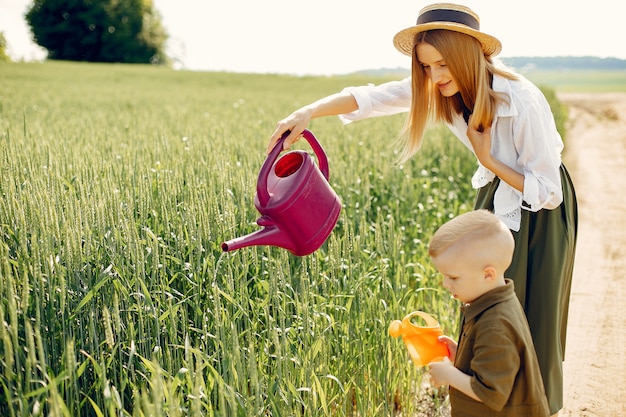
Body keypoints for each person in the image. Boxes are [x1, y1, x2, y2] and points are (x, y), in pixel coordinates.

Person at [267, 3, 577, 415]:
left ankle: (536, 406)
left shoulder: (520, 98)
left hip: (541, 212)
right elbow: (372, 97)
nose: (436, 76)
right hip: (497, 198)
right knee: (483, 304)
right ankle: (482, 398)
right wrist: (307, 113)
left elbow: (548, 190)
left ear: (469, 56)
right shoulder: (440, 89)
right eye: (427, 67)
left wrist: (489, 162)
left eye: (444, 64)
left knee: (530, 314)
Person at [427, 209, 549, 416]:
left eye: (453, 277)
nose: (446, 284)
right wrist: (461, 355)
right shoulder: (494, 302)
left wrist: (449, 375)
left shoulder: (495, 325)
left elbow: (490, 392)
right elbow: (493, 361)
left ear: (488, 274)